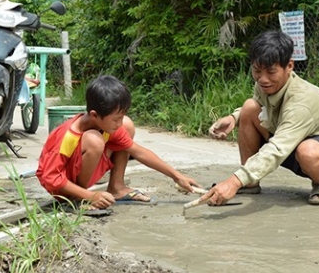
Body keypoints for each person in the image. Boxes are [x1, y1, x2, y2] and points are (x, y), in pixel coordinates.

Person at [201, 30, 319, 206]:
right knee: (248, 107)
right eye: (257, 70)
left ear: (289, 66)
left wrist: (233, 181)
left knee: (308, 151)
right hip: (292, 143)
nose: (263, 79)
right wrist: (234, 118)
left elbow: (278, 147)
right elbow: (258, 105)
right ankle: (250, 183)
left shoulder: (301, 101)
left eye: (271, 72)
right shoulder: (265, 85)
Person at [36, 74, 201, 210]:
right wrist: (90, 196)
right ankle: (77, 199)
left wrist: (177, 176)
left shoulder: (106, 125)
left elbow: (138, 151)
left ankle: (117, 187)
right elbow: (50, 178)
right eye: (116, 119)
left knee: (127, 127)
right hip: (62, 188)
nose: (119, 123)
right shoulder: (67, 136)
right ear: (94, 115)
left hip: (80, 174)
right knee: (94, 140)